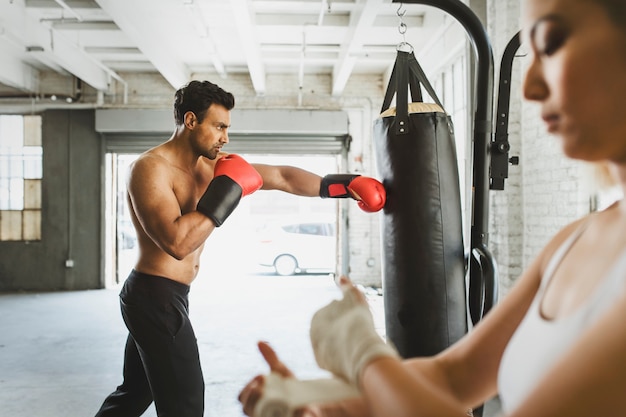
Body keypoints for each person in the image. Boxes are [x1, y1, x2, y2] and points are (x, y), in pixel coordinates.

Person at [238, 0, 626, 416]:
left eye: (550, 43)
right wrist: (327, 406)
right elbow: (452, 378)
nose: (529, 87)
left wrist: (364, 355)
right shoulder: (574, 242)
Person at [94, 80, 387, 417]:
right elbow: (177, 243)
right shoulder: (149, 169)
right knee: (185, 401)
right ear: (191, 121)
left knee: (134, 392)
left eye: (227, 128)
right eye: (219, 126)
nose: (225, 137)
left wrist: (342, 185)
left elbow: (281, 176)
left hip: (169, 295)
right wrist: (228, 190)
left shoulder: (212, 167)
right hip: (153, 297)